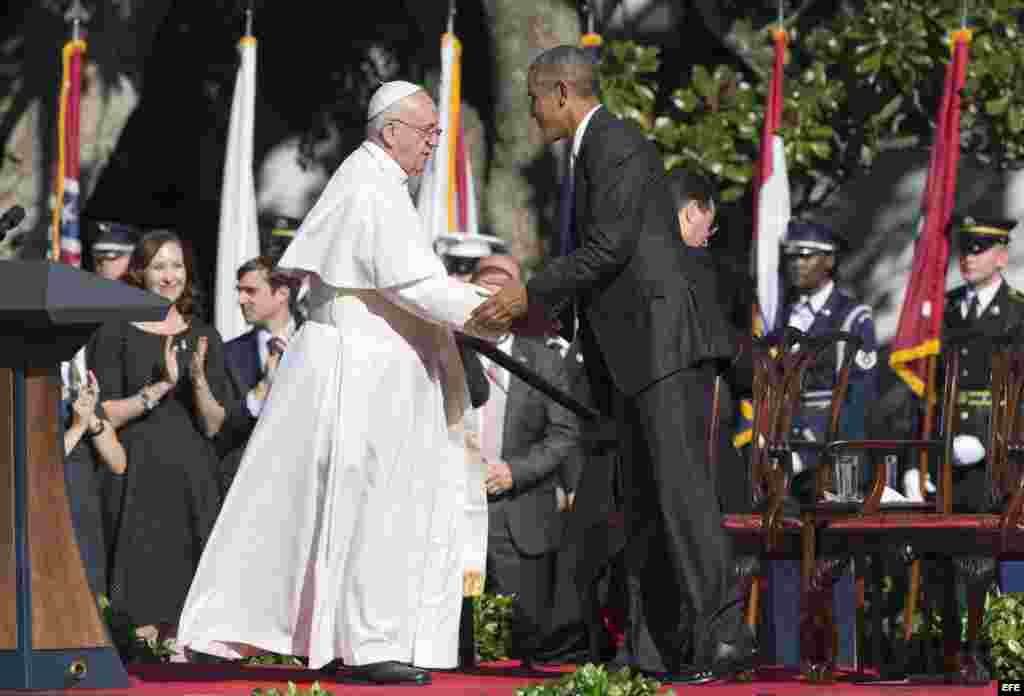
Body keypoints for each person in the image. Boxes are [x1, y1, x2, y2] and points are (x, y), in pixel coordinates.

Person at [177, 81, 500, 685]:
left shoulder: (379, 185)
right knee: (361, 506)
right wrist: (493, 308)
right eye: (427, 130)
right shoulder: (370, 185)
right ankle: (366, 641)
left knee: (351, 508)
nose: (435, 141)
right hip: (357, 375)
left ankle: (358, 638)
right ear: (389, 130)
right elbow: (416, 286)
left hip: (370, 372)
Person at [468, 46, 752, 680]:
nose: (533, 111)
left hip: (665, 348)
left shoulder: (614, 140)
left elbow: (609, 245)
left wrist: (527, 292)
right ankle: (656, 650)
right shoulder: (590, 149)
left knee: (681, 500)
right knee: (644, 506)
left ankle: (725, 636)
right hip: (632, 355)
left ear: (563, 92)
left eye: (537, 99)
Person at [88, 230, 232, 655]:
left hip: (193, 479)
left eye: (177, 266)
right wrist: (159, 388)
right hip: (136, 477)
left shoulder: (205, 334)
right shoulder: (114, 330)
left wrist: (200, 382)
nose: (170, 276)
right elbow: (103, 412)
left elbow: (215, 425)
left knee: (187, 601)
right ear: (141, 273)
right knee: (141, 598)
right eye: (159, 266)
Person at [467, 254, 580, 663]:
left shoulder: (546, 361)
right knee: (462, 640)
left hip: (518, 515)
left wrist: (514, 471)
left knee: (515, 646)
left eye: (505, 287)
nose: (494, 296)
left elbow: (564, 432)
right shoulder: (447, 351)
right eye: (485, 287)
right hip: (456, 513)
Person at [667, 168, 753, 515]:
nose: (708, 237)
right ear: (692, 212)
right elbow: (720, 343)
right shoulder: (700, 267)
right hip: (697, 440)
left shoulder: (619, 261)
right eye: (709, 227)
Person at [772, 220, 878, 500]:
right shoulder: (781, 316)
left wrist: (811, 448)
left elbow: (859, 398)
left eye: (806, 256)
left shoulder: (852, 317)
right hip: (783, 453)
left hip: (832, 457)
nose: (796, 264)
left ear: (829, 260)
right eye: (791, 257)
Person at [942, 216, 1024, 512]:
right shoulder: (944, 307)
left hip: (1000, 453)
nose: (967, 258)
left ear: (1002, 257)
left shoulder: (1018, 311)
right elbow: (927, 387)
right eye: (964, 250)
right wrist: (916, 461)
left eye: (978, 249)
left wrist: (992, 442)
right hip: (945, 448)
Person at [216, 256, 304, 494]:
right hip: (244, 487)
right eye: (240, 291)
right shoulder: (228, 354)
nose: (241, 299)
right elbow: (221, 429)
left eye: (251, 291)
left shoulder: (316, 342)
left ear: (282, 293)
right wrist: (261, 391)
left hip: (301, 480)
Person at [62, 368, 126, 597]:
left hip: (84, 513)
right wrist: (78, 426)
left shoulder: (79, 397)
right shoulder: (28, 396)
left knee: (91, 590)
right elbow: (42, 460)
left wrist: (91, 420)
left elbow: (118, 462)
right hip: (51, 509)